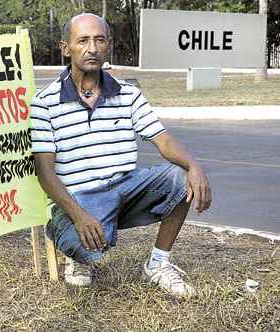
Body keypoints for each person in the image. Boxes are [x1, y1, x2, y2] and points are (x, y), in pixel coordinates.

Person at [29, 13, 212, 297]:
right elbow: (45, 173)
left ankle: (158, 264)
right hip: (80, 200)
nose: (92, 48)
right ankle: (77, 256)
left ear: (109, 45)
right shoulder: (44, 103)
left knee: (179, 177)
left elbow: (161, 139)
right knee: (90, 250)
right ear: (65, 48)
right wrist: (79, 217)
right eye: (83, 40)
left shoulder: (128, 94)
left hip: (124, 189)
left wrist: (194, 166)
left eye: (99, 40)